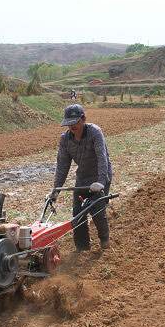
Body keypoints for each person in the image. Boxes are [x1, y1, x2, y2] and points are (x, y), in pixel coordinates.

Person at [50, 104, 113, 251]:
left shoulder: (95, 133)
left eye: (75, 122)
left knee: (97, 209)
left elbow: (102, 158)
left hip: (100, 175)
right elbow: (62, 166)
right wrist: (56, 190)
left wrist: (101, 182)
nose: (72, 126)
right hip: (83, 177)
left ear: (83, 119)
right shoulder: (65, 139)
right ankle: (82, 248)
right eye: (69, 123)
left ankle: (105, 241)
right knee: (77, 214)